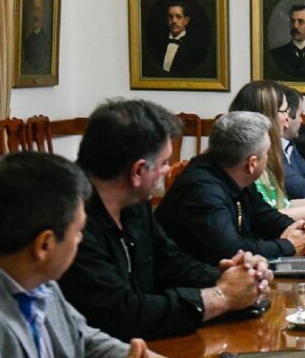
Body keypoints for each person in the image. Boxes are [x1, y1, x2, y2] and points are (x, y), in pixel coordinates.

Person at [0, 152, 184, 358]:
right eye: (78, 231)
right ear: (44, 245)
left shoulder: (37, 279)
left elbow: (82, 339)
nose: (81, 239)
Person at [59, 99, 273, 341]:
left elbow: (170, 263)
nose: (168, 170)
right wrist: (221, 297)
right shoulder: (71, 222)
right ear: (138, 171)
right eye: (163, 163)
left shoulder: (133, 201)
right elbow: (120, 313)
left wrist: (234, 277)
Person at [156, 111, 305, 265]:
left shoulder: (234, 173)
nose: (268, 159)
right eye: (267, 153)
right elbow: (231, 250)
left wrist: (300, 231)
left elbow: (263, 216)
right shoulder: (201, 189)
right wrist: (289, 245)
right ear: (252, 163)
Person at [157, 2, 206, 76]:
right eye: (170, 17)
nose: (174, 21)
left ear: (186, 21)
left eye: (178, 17)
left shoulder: (194, 47)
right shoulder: (159, 43)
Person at [21, 0, 51, 75]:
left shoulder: (47, 43)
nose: (35, 14)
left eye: (38, 9)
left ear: (43, 12)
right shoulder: (27, 42)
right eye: (34, 9)